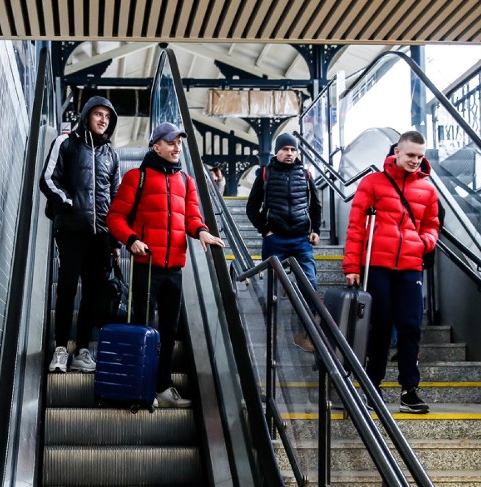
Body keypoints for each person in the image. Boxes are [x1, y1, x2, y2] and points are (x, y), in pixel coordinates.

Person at [107, 122, 225, 408]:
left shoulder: (186, 181)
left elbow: (192, 217)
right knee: (141, 328)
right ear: (155, 145)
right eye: (171, 142)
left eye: (179, 143)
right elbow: (115, 218)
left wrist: (201, 231)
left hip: (174, 269)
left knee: (169, 334)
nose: (176, 147)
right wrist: (131, 239)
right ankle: (137, 389)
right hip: (146, 266)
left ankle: (161, 388)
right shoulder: (137, 177)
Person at [342, 130, 439, 414]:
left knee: (410, 327)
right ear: (396, 151)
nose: (415, 161)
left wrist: (425, 242)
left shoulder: (428, 189)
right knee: (380, 327)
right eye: (410, 155)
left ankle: (410, 390)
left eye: (420, 157)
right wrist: (351, 267)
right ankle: (373, 386)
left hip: (410, 266)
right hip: (377, 265)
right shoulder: (372, 183)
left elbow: (433, 224)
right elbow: (357, 227)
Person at [39, 96, 121, 373]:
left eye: (107, 117)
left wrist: (115, 240)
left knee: (93, 293)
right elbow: (48, 179)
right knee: (66, 288)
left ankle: (83, 350)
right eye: (98, 114)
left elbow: (117, 199)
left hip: (101, 235)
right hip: (72, 230)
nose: (102, 120)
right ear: (86, 115)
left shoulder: (112, 154)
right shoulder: (67, 143)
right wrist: (71, 203)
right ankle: (60, 348)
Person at [246, 132, 322, 353]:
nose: (289, 153)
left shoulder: (306, 174)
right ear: (277, 151)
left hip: (301, 240)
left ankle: (302, 334)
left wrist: (315, 230)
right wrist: (265, 230)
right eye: (285, 149)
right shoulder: (265, 173)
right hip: (275, 240)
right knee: (273, 288)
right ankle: (273, 333)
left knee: (309, 287)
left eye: (293, 150)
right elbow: (252, 207)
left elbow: (315, 206)